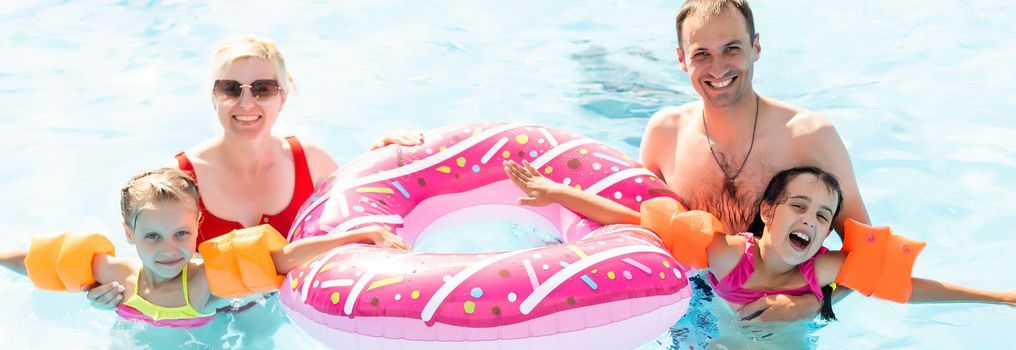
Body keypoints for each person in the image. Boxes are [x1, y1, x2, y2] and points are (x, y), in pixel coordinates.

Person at [516, 0, 869, 321]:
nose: (718, 69)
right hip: (689, 318)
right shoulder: (664, 134)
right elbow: (644, 229)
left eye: (732, 49)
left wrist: (811, 303)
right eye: (702, 54)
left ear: (756, 47)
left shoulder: (809, 137)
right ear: (681, 58)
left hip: (780, 330)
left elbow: (870, 258)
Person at [85, 35, 422, 308]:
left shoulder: (312, 161)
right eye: (230, 89)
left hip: (292, 315)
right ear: (213, 96)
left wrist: (382, 158)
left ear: (283, 98)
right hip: (210, 326)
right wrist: (111, 298)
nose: (246, 104)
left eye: (263, 89)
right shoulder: (181, 178)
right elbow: (152, 264)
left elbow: (357, 206)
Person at [0, 168, 408, 328]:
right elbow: (36, 264)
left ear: (198, 226)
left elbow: (282, 258)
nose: (169, 250)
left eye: (181, 234)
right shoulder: (114, 278)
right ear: (128, 233)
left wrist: (359, 236)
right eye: (152, 237)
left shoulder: (205, 282)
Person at [641, 166, 1015, 321]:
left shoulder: (818, 269)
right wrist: (577, 197)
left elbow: (902, 288)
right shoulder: (728, 257)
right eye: (799, 206)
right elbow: (643, 225)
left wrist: (999, 298)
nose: (810, 219)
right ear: (768, 212)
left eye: (822, 216)